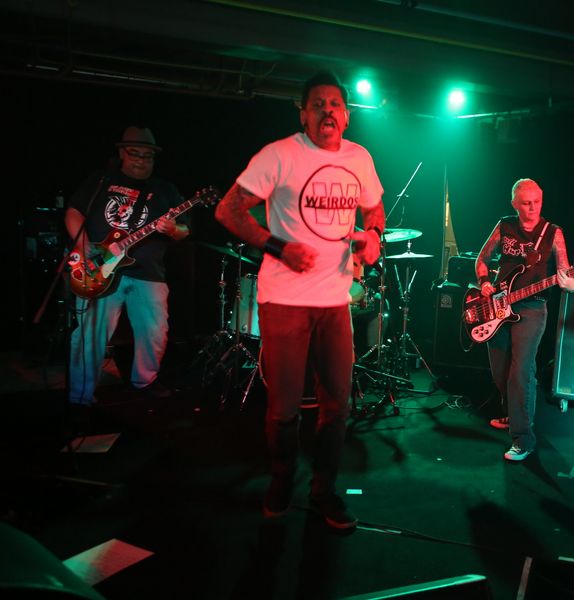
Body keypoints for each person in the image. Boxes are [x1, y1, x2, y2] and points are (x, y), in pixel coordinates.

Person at [215, 71, 384, 528]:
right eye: (318, 104)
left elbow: (374, 207)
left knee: (338, 406)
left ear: (347, 116)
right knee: (284, 410)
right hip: (284, 300)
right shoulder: (280, 155)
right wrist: (278, 247)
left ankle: (324, 491)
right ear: (303, 114)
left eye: (335, 104)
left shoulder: (359, 158)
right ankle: (281, 480)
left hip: (334, 302)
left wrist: (373, 235)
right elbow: (228, 209)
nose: (327, 111)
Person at [67, 126, 190, 405]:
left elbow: (185, 230)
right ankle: (80, 396)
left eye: (148, 156)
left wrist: (173, 229)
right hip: (99, 267)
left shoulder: (165, 190)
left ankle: (144, 381)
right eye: (135, 154)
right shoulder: (101, 180)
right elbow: (74, 211)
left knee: (154, 332)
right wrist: (82, 246)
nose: (141, 161)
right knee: (90, 333)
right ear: (122, 153)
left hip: (149, 273)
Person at [475, 178, 574, 461]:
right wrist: (484, 282)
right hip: (499, 306)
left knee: (521, 371)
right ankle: (513, 414)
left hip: (532, 308)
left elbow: (566, 272)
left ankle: (523, 439)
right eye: (526, 203)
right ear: (514, 204)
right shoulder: (504, 226)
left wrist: (569, 284)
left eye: (537, 202)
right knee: (500, 370)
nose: (532, 208)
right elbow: (482, 259)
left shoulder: (553, 233)